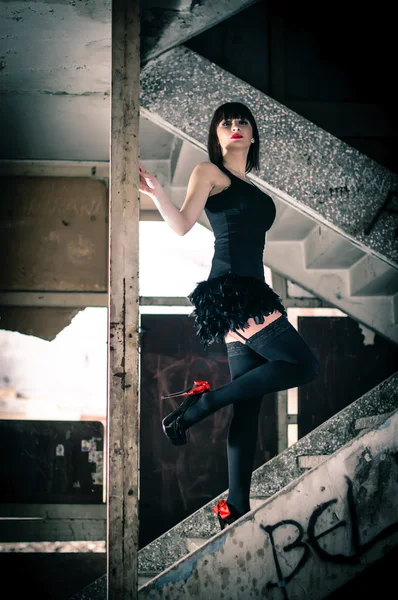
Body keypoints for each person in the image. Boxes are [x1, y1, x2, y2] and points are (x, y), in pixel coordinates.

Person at [139, 102, 320, 530]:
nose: (235, 127)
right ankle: (202, 404)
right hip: (235, 291)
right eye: (226, 123)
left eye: (242, 122)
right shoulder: (209, 172)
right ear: (217, 136)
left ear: (253, 135)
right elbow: (183, 225)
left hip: (244, 292)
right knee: (305, 365)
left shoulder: (250, 187)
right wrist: (159, 193)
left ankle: (236, 507)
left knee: (248, 407)